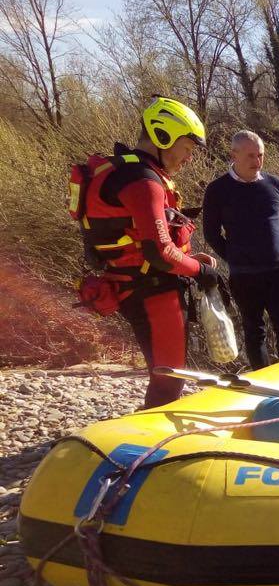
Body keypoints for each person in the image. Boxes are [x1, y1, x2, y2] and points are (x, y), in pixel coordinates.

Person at [73, 96, 218, 408]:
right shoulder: (142, 181)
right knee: (170, 380)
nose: (189, 158)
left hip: (134, 286)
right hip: (151, 289)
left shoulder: (125, 171)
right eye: (187, 148)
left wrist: (191, 260)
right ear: (162, 136)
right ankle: (147, 450)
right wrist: (202, 272)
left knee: (166, 374)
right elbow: (160, 252)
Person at [202, 130, 279, 369]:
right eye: (251, 156)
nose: (257, 161)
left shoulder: (274, 184)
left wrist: (271, 252)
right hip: (244, 275)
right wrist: (236, 257)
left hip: (277, 271)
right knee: (255, 332)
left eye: (261, 155)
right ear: (234, 155)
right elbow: (211, 234)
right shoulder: (217, 190)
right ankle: (263, 384)